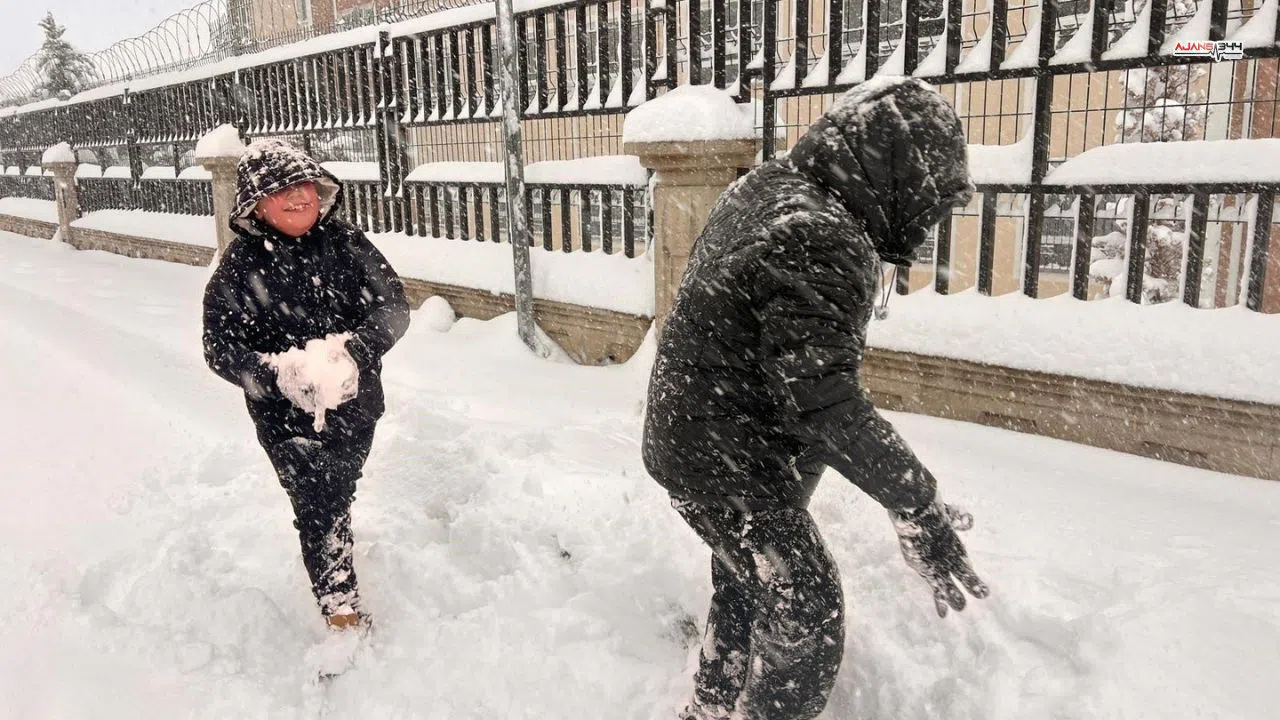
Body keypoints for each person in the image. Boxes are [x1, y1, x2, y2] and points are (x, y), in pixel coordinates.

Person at [642, 77, 988, 720]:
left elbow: (778, 359)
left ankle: (711, 708)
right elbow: (823, 401)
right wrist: (917, 502)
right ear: (896, 175)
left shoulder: (769, 188)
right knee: (807, 604)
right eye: (925, 205)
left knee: (751, 581)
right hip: (727, 456)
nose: (922, 230)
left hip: (698, 437)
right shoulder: (818, 232)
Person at [202, 138, 410, 632]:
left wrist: (354, 351)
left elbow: (393, 307)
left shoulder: (346, 243)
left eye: (305, 186)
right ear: (254, 203)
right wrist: (278, 375)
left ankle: (335, 520)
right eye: (281, 191)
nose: (299, 197)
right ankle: (339, 604)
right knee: (317, 500)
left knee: (339, 485)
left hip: (357, 405)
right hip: (283, 416)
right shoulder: (239, 267)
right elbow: (219, 346)